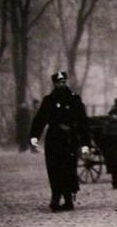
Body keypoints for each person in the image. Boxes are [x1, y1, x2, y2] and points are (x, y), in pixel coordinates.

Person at [30, 71, 90, 212]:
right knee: (53, 169)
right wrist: (34, 136)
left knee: (68, 169)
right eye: (58, 82)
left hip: (69, 140)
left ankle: (68, 200)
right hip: (54, 139)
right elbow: (40, 119)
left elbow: (83, 122)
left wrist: (85, 143)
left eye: (63, 82)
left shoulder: (74, 99)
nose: (61, 84)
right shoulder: (49, 100)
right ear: (54, 84)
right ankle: (55, 198)